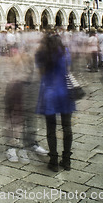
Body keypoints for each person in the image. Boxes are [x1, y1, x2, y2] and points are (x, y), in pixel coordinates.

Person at [35, 33, 75, 171]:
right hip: (65, 92)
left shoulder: (41, 54)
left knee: (51, 128)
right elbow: (67, 70)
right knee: (67, 127)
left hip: (49, 93)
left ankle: (53, 161)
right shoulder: (65, 52)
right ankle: (67, 160)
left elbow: (41, 74)